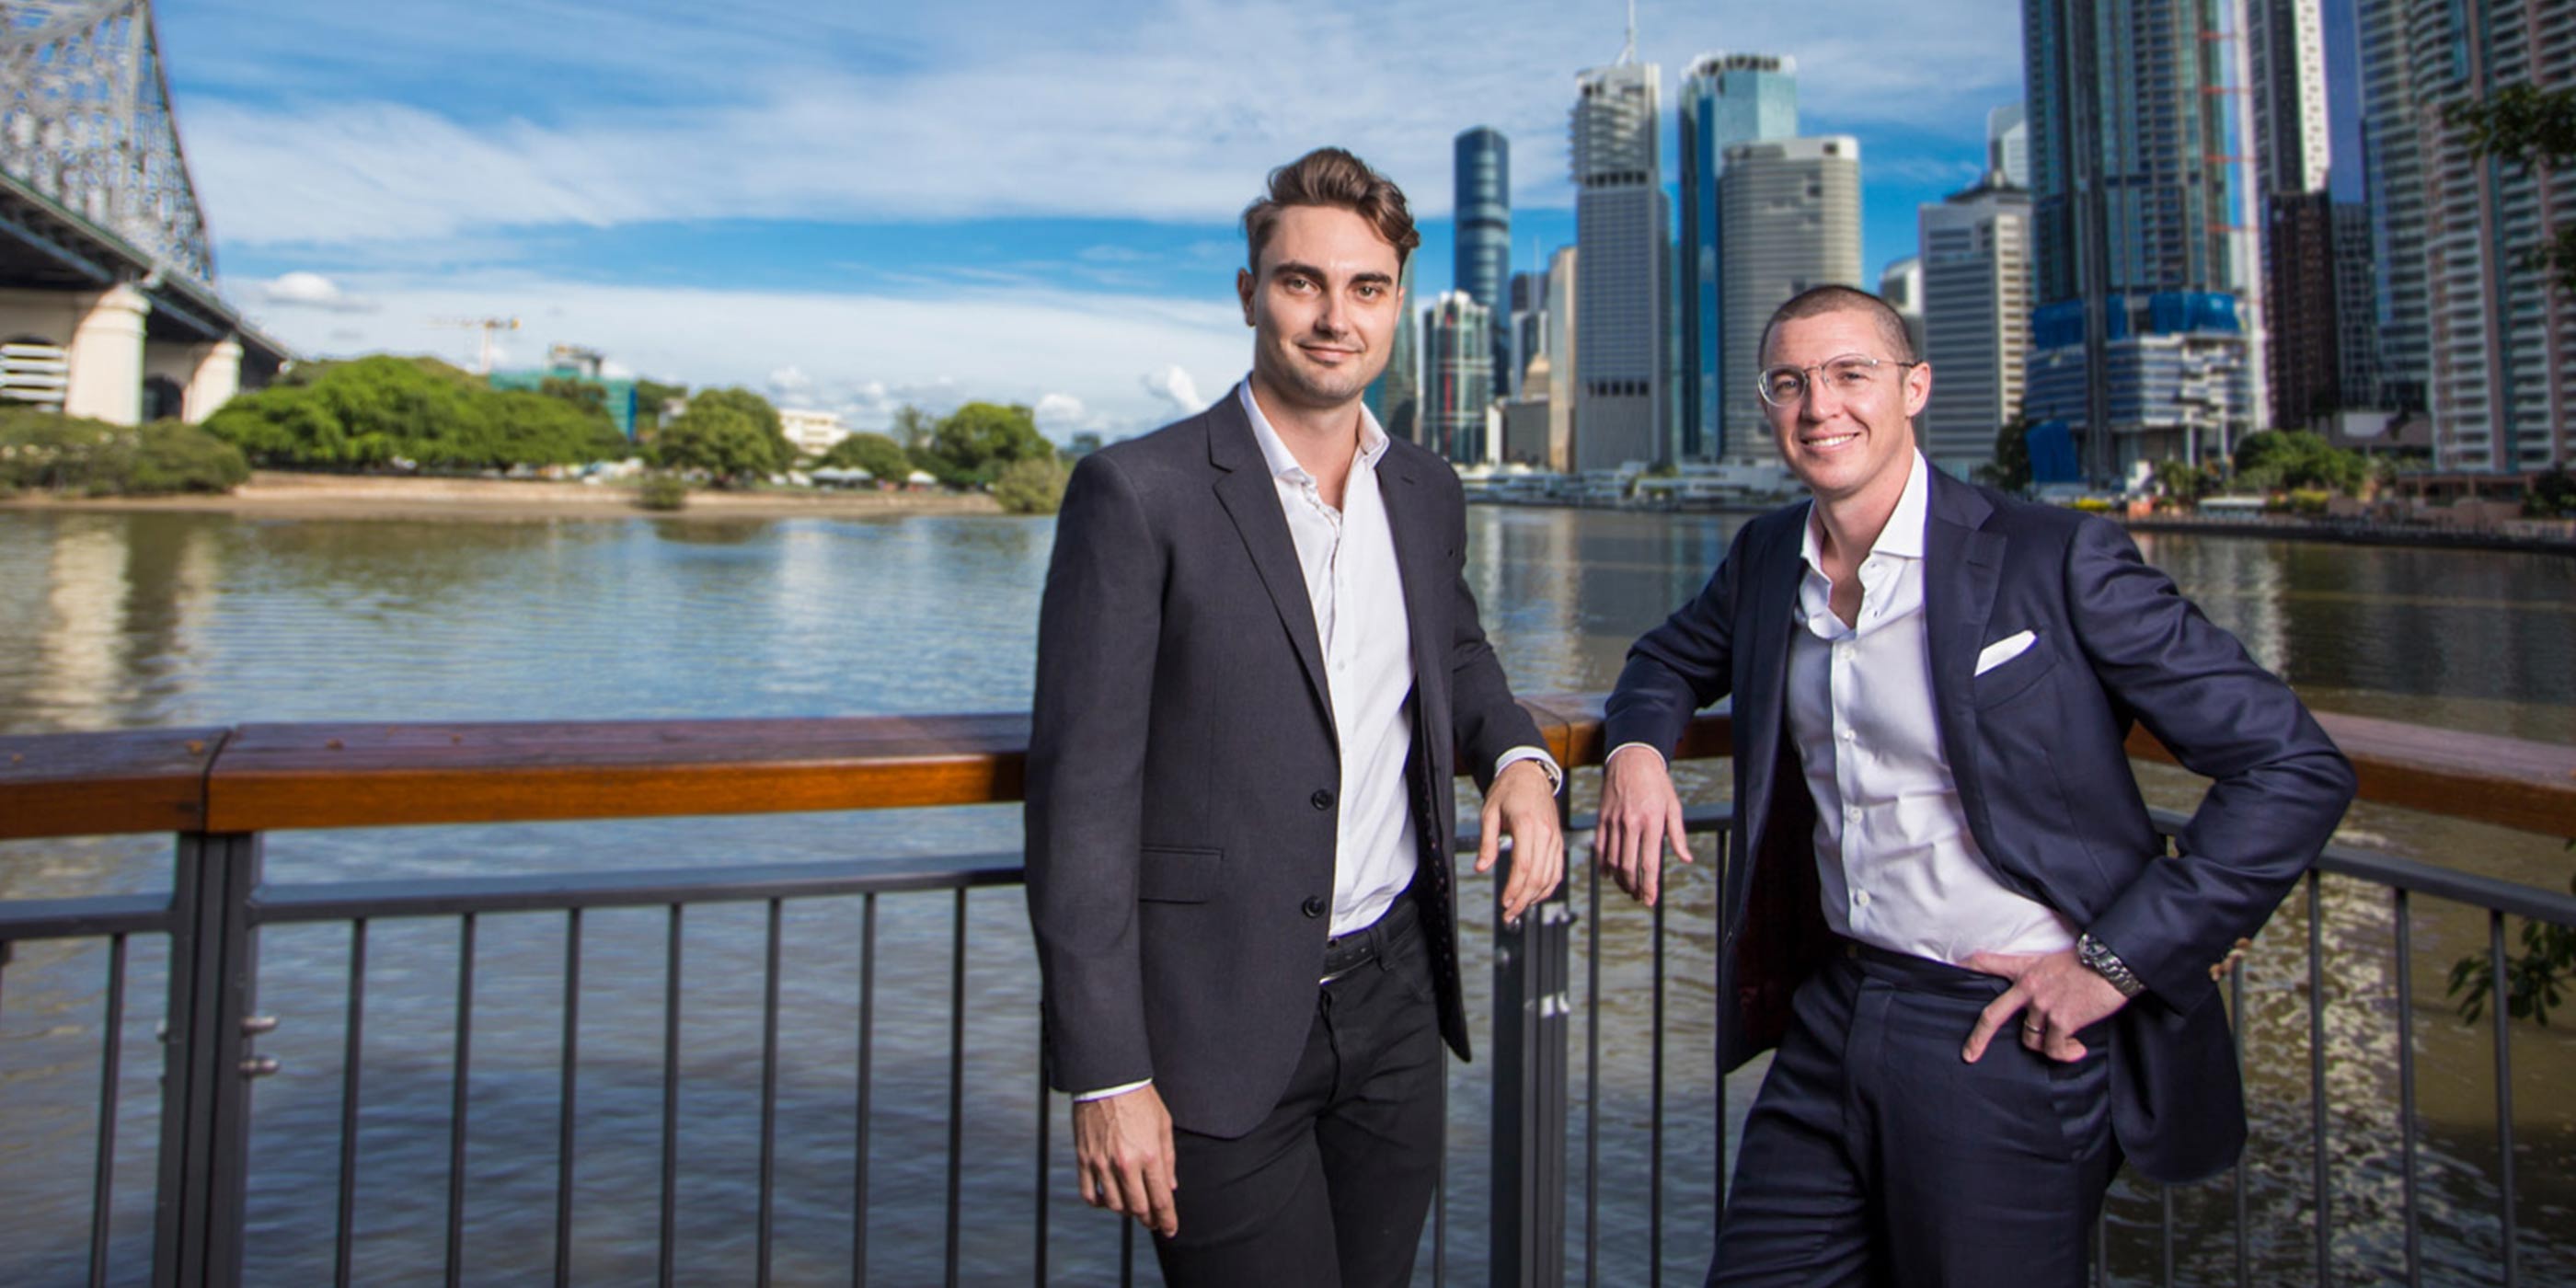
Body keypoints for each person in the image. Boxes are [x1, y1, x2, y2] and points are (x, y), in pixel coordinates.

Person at [1592, 285, 2355, 1285]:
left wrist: (2116, 959)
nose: (1819, 405)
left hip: (2006, 1026)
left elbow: (2292, 764)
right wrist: (1635, 751)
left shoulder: (2055, 555)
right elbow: (1663, 660)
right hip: (1835, 1004)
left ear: (1913, 388)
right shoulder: (1769, 555)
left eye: (1849, 374)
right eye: (1790, 383)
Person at [1023, 145, 1566, 1288]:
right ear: (1248, 294)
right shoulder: (1139, 491)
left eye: (1365, 288)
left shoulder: (1422, 489)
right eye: (1299, 281)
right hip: (1211, 1023)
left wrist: (1516, 754)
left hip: (1393, 1005)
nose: (1333, 317)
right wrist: (1107, 1069)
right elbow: (1079, 797)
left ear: (1399, 306)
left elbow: (1455, 651)